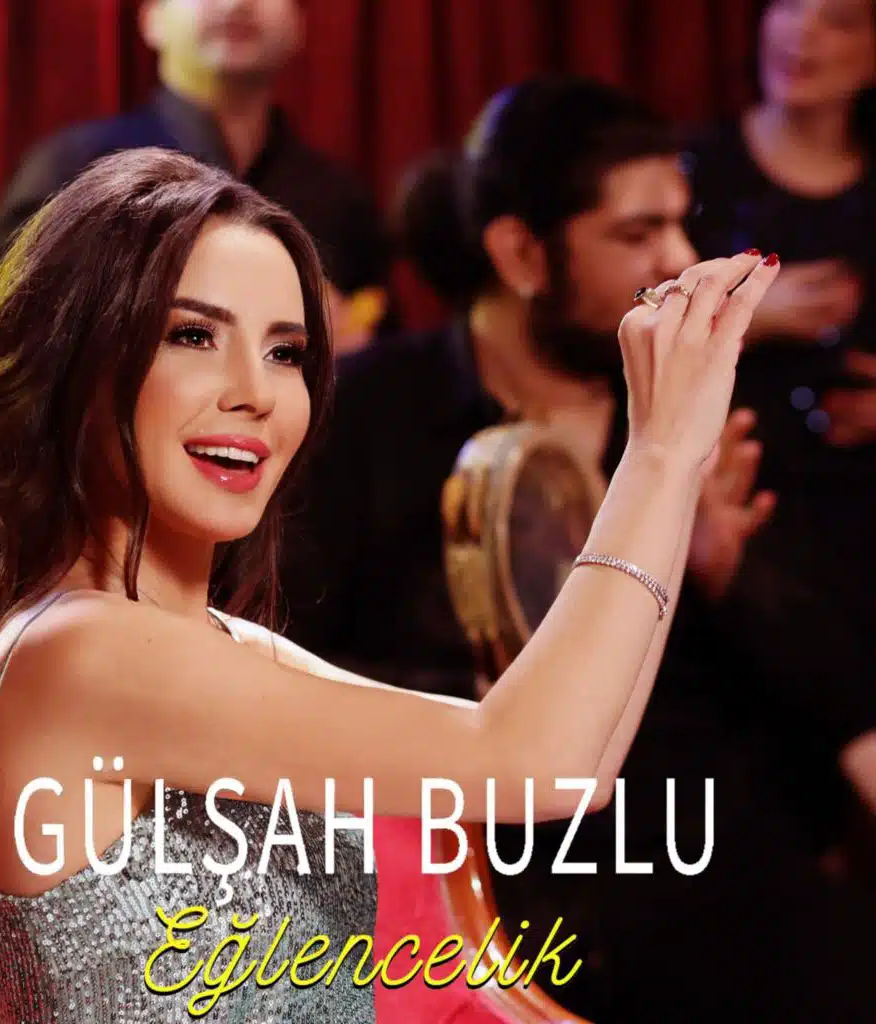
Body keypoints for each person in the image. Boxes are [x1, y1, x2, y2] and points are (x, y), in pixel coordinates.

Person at [0, 145, 774, 1022]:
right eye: (193, 336)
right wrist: (657, 451)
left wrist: (681, 462)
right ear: (77, 359)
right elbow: (532, 762)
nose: (256, 393)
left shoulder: (220, 646)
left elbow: (578, 768)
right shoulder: (79, 652)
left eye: (286, 352)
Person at [277, 78, 876, 1022]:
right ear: (521, 253)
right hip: (476, 864)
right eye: (638, 233)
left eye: (681, 224)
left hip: (704, 858)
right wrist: (488, 690)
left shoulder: (708, 406)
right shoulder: (368, 419)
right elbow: (284, 664)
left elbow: (836, 678)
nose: (678, 261)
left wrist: (726, 570)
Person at [0, 0, 390, 375]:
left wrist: (344, 343)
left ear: (299, 26)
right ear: (152, 18)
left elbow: (388, 368)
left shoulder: (338, 196)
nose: (237, 4)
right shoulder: (78, 166)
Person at [685, 0, 876, 832]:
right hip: (730, 501)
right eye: (790, 5)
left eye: (840, 19)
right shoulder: (693, 172)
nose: (803, 33)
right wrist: (750, 317)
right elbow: (619, 320)